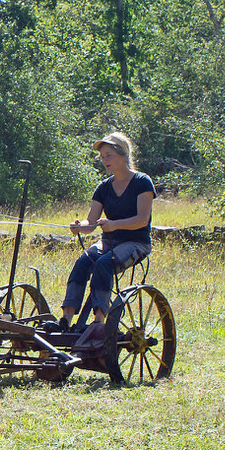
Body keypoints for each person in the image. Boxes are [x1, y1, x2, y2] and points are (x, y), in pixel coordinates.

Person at [55, 132, 155, 334]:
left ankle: (99, 320)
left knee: (103, 263)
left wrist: (114, 224)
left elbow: (142, 220)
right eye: (102, 157)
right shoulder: (103, 187)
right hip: (110, 241)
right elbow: (91, 223)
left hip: (136, 242)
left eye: (109, 155)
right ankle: (66, 317)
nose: (105, 161)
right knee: (83, 261)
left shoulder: (142, 182)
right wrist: (78, 226)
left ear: (123, 155)